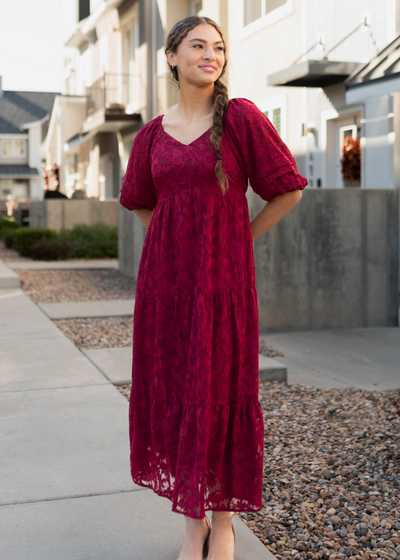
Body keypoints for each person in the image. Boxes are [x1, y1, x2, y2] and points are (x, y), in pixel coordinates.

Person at [119, 15, 308, 560]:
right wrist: (171, 241)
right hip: (165, 287)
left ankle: (223, 520)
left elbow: (287, 189)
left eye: (219, 46)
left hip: (224, 284)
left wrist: (238, 239)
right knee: (179, 390)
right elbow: (138, 198)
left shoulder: (243, 118)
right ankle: (191, 524)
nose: (212, 53)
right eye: (198, 45)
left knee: (221, 391)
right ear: (172, 57)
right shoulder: (151, 133)